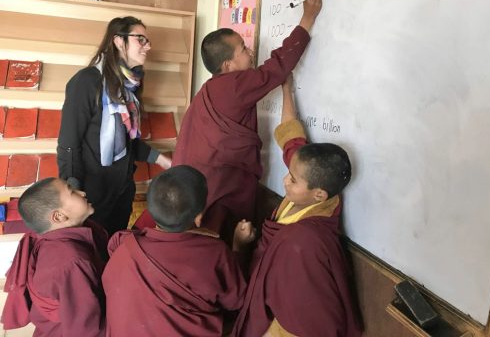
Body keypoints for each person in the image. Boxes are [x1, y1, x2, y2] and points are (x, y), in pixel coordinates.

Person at [135, 0, 323, 241]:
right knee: (219, 236)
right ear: (228, 65)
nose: (250, 52)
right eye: (243, 49)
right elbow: (276, 68)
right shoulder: (233, 86)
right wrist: (307, 19)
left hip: (195, 180)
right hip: (216, 184)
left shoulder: (212, 87)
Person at [232, 76, 363, 337]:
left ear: (318, 195)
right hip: (261, 285)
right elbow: (291, 139)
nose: (285, 180)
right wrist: (287, 88)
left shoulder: (304, 244)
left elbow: (304, 317)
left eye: (293, 180)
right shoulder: (312, 184)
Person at [102, 165, 254, 337]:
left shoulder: (125, 245)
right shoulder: (214, 254)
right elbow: (237, 300)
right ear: (198, 218)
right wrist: (238, 246)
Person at [57, 16, 171, 236]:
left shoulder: (129, 85)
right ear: (119, 41)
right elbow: (68, 144)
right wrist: (73, 193)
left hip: (121, 190)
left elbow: (128, 142)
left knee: (113, 247)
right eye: (141, 39)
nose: (148, 46)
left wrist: (164, 161)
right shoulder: (86, 82)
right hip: (91, 195)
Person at [1, 177, 107, 337]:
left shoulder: (51, 236)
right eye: (72, 192)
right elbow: (86, 329)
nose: (82, 193)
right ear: (58, 217)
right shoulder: (72, 262)